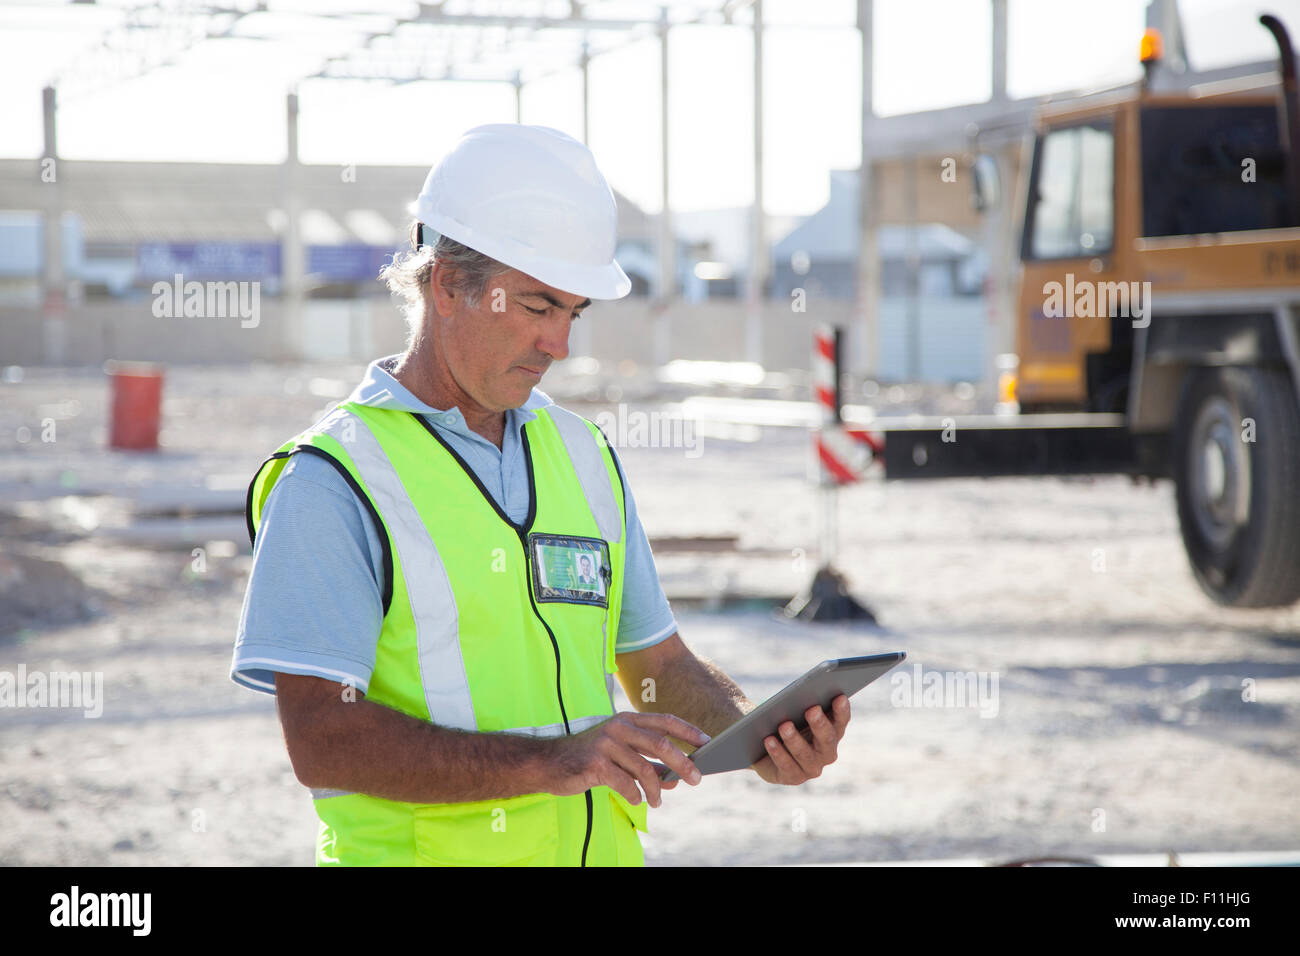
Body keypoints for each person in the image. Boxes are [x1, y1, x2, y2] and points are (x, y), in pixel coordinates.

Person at [230, 123, 851, 866]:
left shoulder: (582, 457)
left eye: (573, 314)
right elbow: (323, 739)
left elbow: (656, 668)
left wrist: (758, 732)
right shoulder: (334, 480)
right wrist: (552, 762)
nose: (560, 344)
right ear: (447, 285)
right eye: (536, 307)